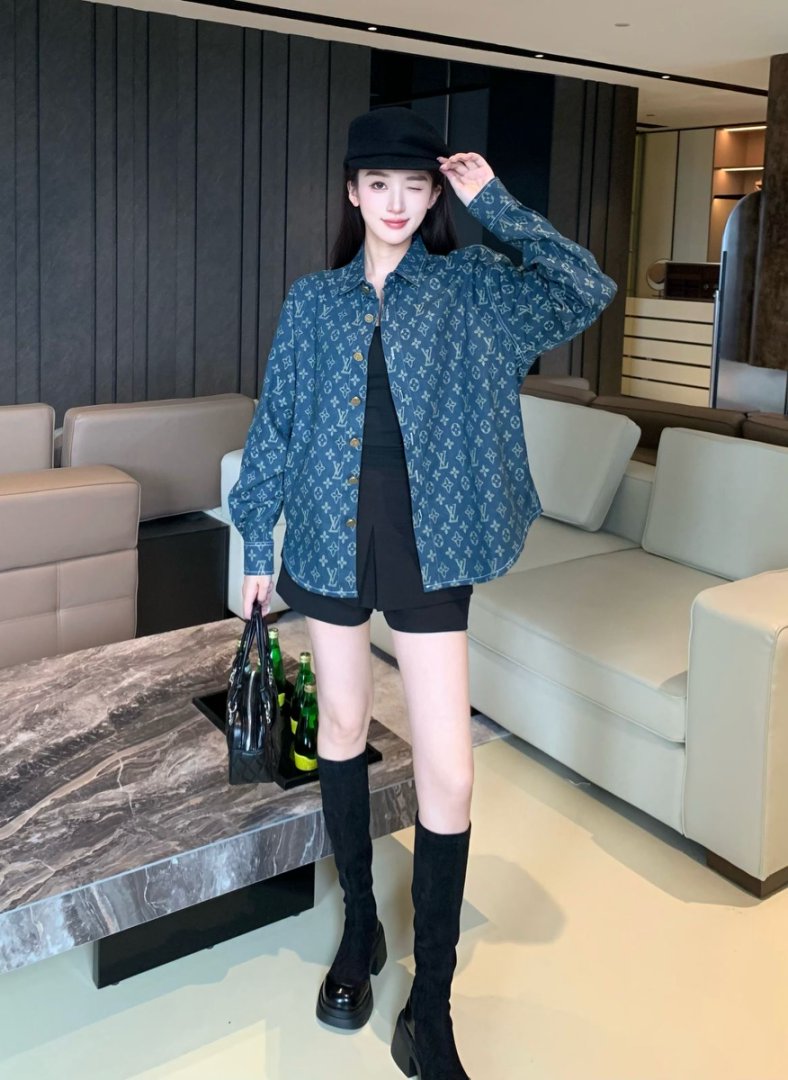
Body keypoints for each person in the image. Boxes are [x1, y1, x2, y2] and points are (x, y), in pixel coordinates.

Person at [228, 106, 617, 1079]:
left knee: (449, 770)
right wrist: (254, 541)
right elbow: (277, 424)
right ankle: (359, 929)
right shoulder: (314, 302)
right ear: (352, 192)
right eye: (379, 185)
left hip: (431, 537)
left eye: (416, 186)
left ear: (435, 193)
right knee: (341, 728)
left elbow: (585, 287)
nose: (397, 203)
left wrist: (498, 203)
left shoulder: (471, 287)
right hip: (326, 532)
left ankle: (429, 1004)